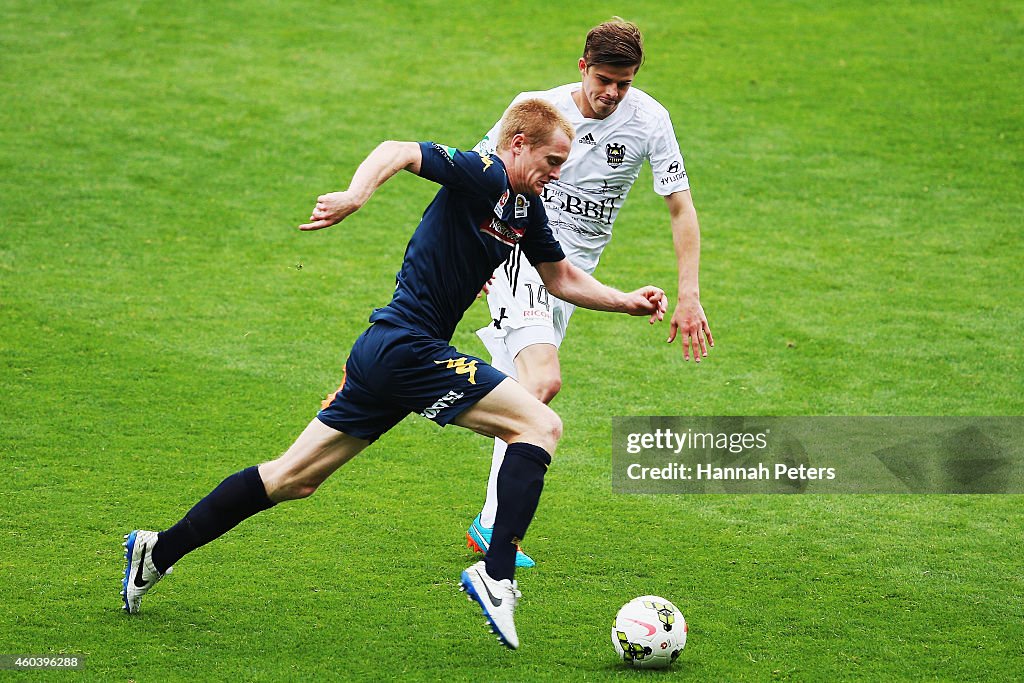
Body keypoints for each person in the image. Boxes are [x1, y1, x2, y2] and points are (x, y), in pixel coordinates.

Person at [120, 99, 667, 650]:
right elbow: (398, 151)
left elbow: (562, 277)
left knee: (293, 479)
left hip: (390, 353)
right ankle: (497, 574)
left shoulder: (525, 210)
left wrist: (626, 301)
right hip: (406, 347)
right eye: (551, 161)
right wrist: (356, 196)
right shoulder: (485, 172)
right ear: (518, 144)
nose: (557, 174)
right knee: (539, 426)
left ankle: (157, 550)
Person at [465, 19, 714, 569]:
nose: (612, 94)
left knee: (517, 394)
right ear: (583, 66)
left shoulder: (650, 121)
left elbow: (680, 208)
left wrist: (689, 295)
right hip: (518, 252)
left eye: (624, 83)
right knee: (540, 384)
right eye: (604, 80)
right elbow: (479, 173)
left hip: (571, 279)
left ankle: (394, 382)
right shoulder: (538, 111)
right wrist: (476, 247)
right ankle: (492, 528)